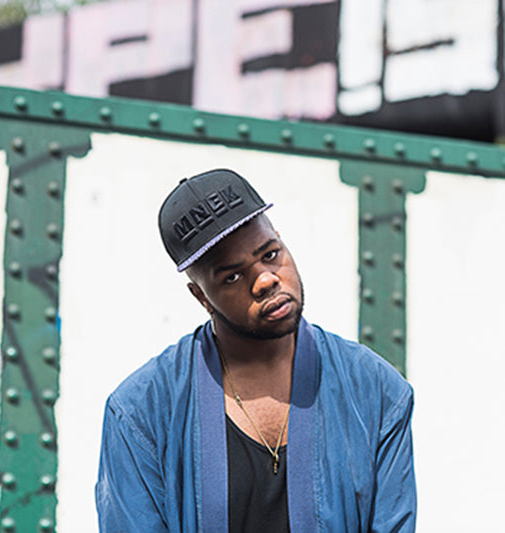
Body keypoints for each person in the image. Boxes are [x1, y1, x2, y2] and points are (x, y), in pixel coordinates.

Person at [95, 168, 416, 532]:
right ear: (201, 296)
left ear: (281, 240)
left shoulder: (376, 391)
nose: (265, 280)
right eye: (232, 276)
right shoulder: (140, 411)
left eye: (270, 253)